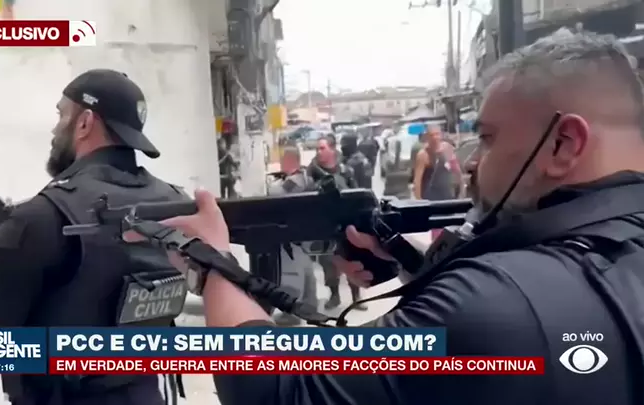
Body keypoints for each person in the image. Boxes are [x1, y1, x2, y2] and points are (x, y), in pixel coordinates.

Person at [124, 30, 644, 405]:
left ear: (564, 143)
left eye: (487, 138)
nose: (471, 162)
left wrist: (212, 261)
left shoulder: (494, 298)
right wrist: (414, 267)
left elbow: (278, 389)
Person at [0, 69, 187, 405]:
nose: (55, 129)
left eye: (61, 115)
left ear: (85, 122)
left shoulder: (43, 217)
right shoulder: (177, 204)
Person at [307, 136, 365, 310]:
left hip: (347, 223)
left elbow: (357, 194)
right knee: (328, 261)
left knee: (352, 257)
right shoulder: (312, 173)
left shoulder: (346, 170)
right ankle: (334, 295)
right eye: (317, 148)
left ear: (332, 149)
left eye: (322, 148)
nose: (318, 152)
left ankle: (356, 296)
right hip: (325, 224)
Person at [267, 146, 318, 325]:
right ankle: (309, 305)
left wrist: (273, 183)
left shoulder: (294, 181)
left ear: (290, 160)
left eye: (283, 160)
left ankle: (293, 312)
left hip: (292, 234)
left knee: (291, 272)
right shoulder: (306, 178)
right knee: (305, 269)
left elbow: (275, 193)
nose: (281, 164)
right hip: (303, 234)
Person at [413, 124, 465, 239]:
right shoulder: (423, 155)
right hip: (433, 197)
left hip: (448, 195)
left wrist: (461, 187)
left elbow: (456, 169)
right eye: (432, 135)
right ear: (427, 137)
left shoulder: (447, 148)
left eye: (437, 134)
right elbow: (417, 180)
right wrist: (419, 202)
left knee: (451, 226)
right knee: (437, 229)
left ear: (441, 135)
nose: (435, 137)